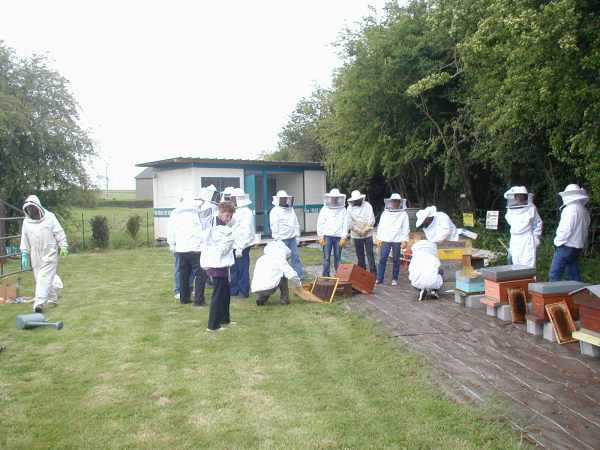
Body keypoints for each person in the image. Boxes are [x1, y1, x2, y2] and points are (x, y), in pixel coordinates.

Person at [19, 195, 68, 312]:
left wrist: (64, 246)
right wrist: (24, 254)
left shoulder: (50, 217)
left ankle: (38, 304)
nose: (31, 211)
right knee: (41, 278)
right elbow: (24, 238)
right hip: (35, 254)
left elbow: (59, 232)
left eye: (33, 208)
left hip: (49, 252)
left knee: (43, 278)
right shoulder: (26, 222)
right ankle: (53, 298)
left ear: (38, 207)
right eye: (29, 209)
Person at [201, 201, 236, 331]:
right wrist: (228, 242)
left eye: (230, 216)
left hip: (222, 264)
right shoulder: (214, 226)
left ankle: (224, 319)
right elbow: (221, 249)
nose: (229, 218)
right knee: (218, 294)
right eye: (227, 215)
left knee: (225, 293)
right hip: (217, 265)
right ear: (220, 212)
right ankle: (213, 326)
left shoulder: (219, 225)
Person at [167, 196, 207, 306]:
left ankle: (184, 298)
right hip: (195, 249)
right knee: (200, 274)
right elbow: (201, 232)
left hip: (181, 249)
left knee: (184, 274)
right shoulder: (197, 214)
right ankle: (199, 300)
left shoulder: (175, 214)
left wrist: (172, 244)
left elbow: (170, 231)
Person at [549, 184, 591, 282]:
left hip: (566, 246)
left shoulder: (570, 209)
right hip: (577, 247)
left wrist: (557, 242)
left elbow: (565, 229)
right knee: (573, 275)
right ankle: (578, 296)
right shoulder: (584, 210)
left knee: (554, 274)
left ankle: (553, 296)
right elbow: (585, 229)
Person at [251, 240, 302, 306]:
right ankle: (284, 299)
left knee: (270, 279)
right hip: (269, 287)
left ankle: (261, 299)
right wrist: (299, 285)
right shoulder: (279, 259)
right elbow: (291, 275)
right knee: (283, 274)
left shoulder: (260, 259)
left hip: (257, 289)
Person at [504, 186, 543, 267]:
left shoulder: (531, 208)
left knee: (528, 265)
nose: (520, 198)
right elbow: (510, 222)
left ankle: (530, 280)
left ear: (525, 197)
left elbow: (538, 223)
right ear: (515, 197)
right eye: (518, 196)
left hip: (527, 239)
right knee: (515, 264)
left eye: (521, 196)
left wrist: (536, 238)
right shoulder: (511, 209)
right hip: (515, 239)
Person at [376, 193, 410, 286]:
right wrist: (378, 238)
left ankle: (394, 278)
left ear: (400, 202)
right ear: (390, 202)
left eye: (397, 201)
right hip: (386, 239)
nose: (395, 203)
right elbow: (381, 226)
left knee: (396, 260)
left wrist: (405, 240)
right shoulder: (385, 213)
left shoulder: (403, 214)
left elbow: (405, 228)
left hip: (397, 240)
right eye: (393, 201)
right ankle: (380, 278)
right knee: (382, 258)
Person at [269, 190, 303, 279]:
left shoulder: (290, 209)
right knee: (282, 260)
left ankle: (299, 276)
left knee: (295, 257)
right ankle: (282, 277)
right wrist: (277, 239)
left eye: (285, 199)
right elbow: (274, 226)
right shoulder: (274, 211)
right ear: (278, 200)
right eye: (283, 199)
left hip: (292, 238)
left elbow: (295, 222)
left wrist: (297, 235)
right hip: (282, 240)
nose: (284, 201)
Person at [230, 188, 255, 298]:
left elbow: (247, 231)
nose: (232, 201)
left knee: (242, 269)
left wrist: (241, 247)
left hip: (242, 246)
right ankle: (234, 290)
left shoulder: (246, 212)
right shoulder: (235, 211)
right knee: (233, 269)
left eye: (233, 199)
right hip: (233, 245)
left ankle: (243, 291)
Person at [317, 188, 349, 276]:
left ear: (338, 198)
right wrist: (320, 236)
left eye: (335, 198)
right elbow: (320, 223)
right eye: (332, 198)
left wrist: (344, 237)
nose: (334, 199)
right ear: (330, 198)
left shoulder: (343, 210)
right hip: (327, 236)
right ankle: (325, 276)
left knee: (338, 258)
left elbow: (345, 224)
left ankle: (339, 276)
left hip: (339, 237)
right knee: (326, 257)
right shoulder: (324, 209)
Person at [168, 198, 194, 300]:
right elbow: (171, 230)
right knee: (180, 269)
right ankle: (179, 290)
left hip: (192, 246)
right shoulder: (175, 213)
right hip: (179, 246)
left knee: (191, 270)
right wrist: (172, 243)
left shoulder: (194, 212)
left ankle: (188, 289)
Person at [346, 190, 377, 273]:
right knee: (360, 255)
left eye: (358, 200)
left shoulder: (367, 205)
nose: (357, 201)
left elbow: (371, 219)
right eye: (355, 200)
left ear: (361, 199)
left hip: (368, 234)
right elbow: (349, 223)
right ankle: (362, 273)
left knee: (370, 254)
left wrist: (365, 230)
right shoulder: (349, 208)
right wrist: (359, 231)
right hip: (356, 235)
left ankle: (373, 273)